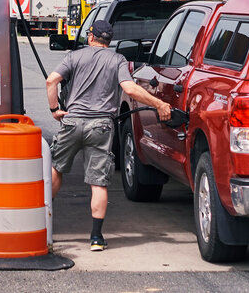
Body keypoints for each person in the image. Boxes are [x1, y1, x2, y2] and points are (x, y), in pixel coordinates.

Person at [45, 19, 171, 251]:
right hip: (101, 126)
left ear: (91, 37)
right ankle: (95, 238)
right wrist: (159, 104)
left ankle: (43, 225)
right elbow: (130, 88)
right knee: (98, 182)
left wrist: (55, 109)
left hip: (72, 122)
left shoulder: (75, 56)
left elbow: (51, 80)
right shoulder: (117, 60)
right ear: (109, 40)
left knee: (56, 168)